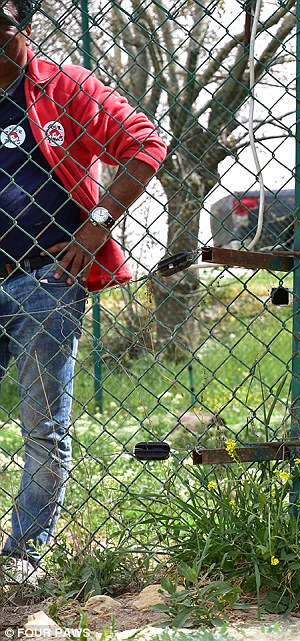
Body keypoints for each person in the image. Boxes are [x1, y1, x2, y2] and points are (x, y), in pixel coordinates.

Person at [0, 0, 166, 580]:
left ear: (22, 30)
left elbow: (146, 143)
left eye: (3, 28)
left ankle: (23, 552)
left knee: (43, 426)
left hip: (47, 278)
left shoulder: (64, 86)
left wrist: (97, 224)